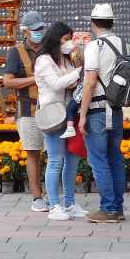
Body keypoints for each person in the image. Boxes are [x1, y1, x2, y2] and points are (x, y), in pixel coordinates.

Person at [78, 4, 127, 224]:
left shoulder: (94, 46)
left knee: (99, 160)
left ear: (93, 22)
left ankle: (107, 209)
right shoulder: (123, 44)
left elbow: (89, 83)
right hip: (116, 109)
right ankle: (117, 207)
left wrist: (82, 114)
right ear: (112, 21)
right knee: (115, 158)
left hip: (97, 110)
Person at [34, 22, 86, 222]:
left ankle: (70, 203)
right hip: (53, 116)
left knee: (72, 161)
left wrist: (75, 74)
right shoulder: (44, 60)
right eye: (66, 39)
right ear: (56, 39)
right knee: (56, 160)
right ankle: (54, 205)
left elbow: (72, 83)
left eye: (70, 39)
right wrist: (79, 72)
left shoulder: (64, 60)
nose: (69, 43)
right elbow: (56, 84)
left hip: (69, 115)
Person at [2, 10, 47, 213]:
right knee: (33, 153)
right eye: (35, 30)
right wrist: (34, 79)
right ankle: (37, 197)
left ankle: (54, 195)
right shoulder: (16, 52)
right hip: (27, 110)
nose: (39, 32)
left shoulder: (50, 49)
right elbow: (8, 81)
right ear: (26, 31)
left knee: (55, 154)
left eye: (41, 29)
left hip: (52, 109)